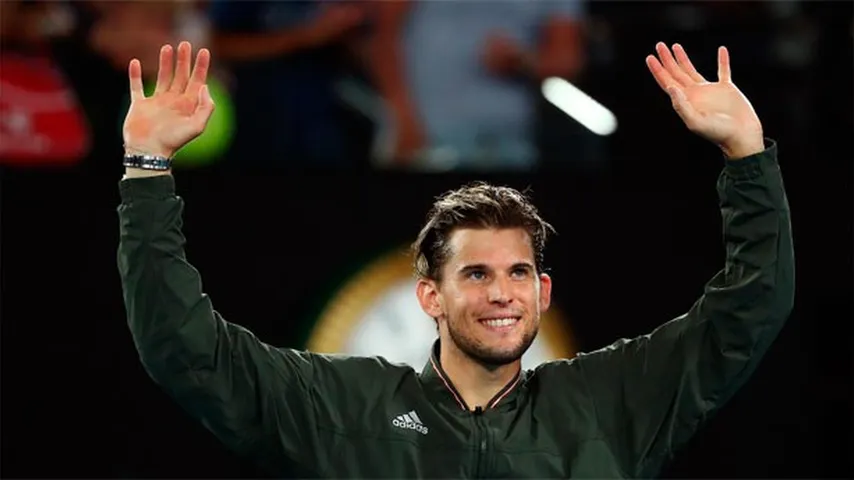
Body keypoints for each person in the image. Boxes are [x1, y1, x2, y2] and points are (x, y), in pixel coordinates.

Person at [117, 41, 794, 477]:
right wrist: (147, 171)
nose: (502, 292)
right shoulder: (342, 406)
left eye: (518, 272)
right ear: (430, 297)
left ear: (543, 292)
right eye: (476, 273)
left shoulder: (612, 401)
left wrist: (748, 154)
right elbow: (185, 348)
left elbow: (750, 311)